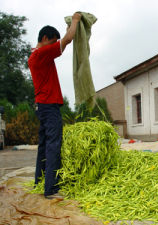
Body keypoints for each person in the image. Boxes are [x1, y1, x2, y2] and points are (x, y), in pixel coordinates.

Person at [28, 12, 81, 199]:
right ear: (44, 38)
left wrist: (66, 32)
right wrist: (75, 20)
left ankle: (40, 181)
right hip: (49, 107)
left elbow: (63, 42)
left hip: (41, 106)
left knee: (44, 145)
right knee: (53, 145)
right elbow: (68, 40)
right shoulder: (41, 54)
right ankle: (51, 188)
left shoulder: (37, 56)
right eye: (53, 41)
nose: (54, 45)